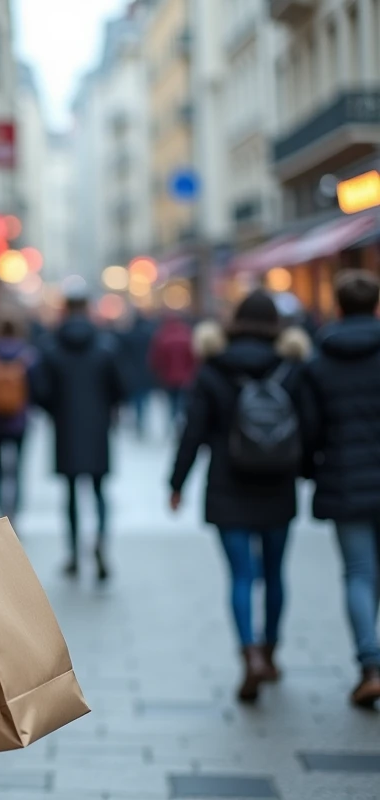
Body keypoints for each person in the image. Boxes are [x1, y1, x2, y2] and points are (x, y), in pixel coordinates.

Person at [168, 290, 310, 704]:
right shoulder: (293, 368)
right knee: (275, 572)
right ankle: (271, 650)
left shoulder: (213, 368)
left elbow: (191, 430)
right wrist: (308, 471)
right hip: (278, 484)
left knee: (242, 576)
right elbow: (311, 425)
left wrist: (176, 483)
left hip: (228, 486)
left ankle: (248, 655)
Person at [299, 270, 380, 708]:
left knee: (358, 573)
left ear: (339, 306)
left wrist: (311, 469)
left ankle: (369, 663)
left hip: (346, 479)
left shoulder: (319, 363)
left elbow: (310, 431)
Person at [34, 282, 125, 580]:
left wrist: (56, 411)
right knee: (99, 491)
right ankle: (100, 541)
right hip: (97, 428)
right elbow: (121, 388)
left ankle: (73, 553)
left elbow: (40, 391)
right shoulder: (105, 347)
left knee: (71, 493)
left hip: (66, 428)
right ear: (87, 309)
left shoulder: (52, 349)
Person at [0, 312, 37, 519]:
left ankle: (0, 510)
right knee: (18, 468)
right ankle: (14, 510)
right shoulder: (28, 355)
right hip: (20, 418)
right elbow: (37, 387)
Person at [149, 312, 196, 426]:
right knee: (182, 402)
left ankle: (173, 422)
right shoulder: (187, 336)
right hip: (186, 377)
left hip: (168, 377)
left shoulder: (162, 337)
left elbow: (156, 359)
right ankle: (180, 422)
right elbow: (194, 358)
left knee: (172, 402)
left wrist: (158, 374)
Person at [119, 311, 156, 437]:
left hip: (132, 372)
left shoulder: (128, 336)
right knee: (143, 399)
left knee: (136, 399)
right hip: (145, 372)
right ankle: (141, 422)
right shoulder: (148, 336)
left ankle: (137, 422)